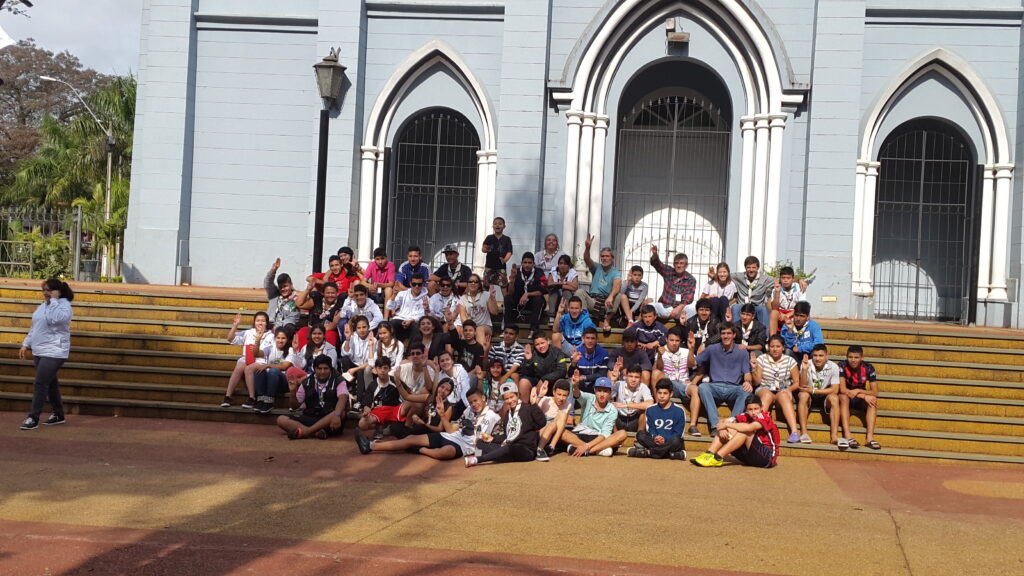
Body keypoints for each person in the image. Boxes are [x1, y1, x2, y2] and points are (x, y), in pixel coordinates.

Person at [356, 388, 501, 461]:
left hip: (464, 446)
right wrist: (442, 414)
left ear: (483, 398)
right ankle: (370, 446)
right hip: (450, 436)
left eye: (476, 401)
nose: (473, 404)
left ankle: (421, 450)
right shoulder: (468, 411)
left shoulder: (494, 417)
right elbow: (451, 430)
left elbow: (499, 438)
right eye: (471, 402)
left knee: (446, 452)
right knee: (411, 438)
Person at [19, 278, 74, 430]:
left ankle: (33, 417)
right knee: (50, 383)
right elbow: (35, 327)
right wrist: (26, 343)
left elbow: (57, 320)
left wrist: (55, 300)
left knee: (40, 383)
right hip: (39, 349)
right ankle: (58, 414)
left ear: (57, 292)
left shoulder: (64, 306)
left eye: (49, 290)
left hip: (55, 351)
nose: (45, 293)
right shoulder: (42, 306)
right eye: (44, 290)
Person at [689, 323, 753, 436]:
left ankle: (731, 424)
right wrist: (691, 349)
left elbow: (747, 373)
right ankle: (715, 425)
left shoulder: (742, 351)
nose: (726, 336)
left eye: (729, 333)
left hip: (734, 387)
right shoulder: (712, 349)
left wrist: (748, 382)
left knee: (746, 391)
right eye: (723, 333)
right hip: (715, 386)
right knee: (703, 387)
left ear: (734, 335)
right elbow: (693, 363)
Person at [465, 383, 548, 467]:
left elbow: (542, 423)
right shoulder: (508, 414)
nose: (510, 401)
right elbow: (506, 436)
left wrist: (534, 404)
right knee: (480, 442)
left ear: (518, 395)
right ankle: (501, 456)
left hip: (526, 450)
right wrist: (492, 439)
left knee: (508, 448)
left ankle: (477, 459)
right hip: (510, 446)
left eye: (512, 397)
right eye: (506, 399)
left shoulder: (527, 408)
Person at [691, 395, 780, 468]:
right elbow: (722, 421)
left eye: (756, 409)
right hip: (750, 457)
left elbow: (749, 428)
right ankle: (709, 454)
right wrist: (722, 428)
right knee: (729, 428)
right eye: (750, 409)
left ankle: (717, 458)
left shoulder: (765, 417)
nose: (753, 412)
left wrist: (726, 425)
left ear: (761, 408)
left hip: (767, 458)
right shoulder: (745, 415)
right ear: (746, 409)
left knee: (744, 432)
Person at [276, 355, 347, 440]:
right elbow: (295, 406)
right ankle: (316, 432)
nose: (322, 372)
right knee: (281, 419)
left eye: (326, 368)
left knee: (341, 413)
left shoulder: (339, 380)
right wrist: (292, 391)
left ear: (330, 368)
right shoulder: (307, 382)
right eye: (319, 369)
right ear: (314, 369)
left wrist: (336, 415)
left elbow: (343, 398)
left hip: (329, 419)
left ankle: (306, 432)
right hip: (311, 417)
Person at [561, 376, 626, 457]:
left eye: (605, 391)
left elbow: (604, 435)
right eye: (599, 390)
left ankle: (586, 450)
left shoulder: (612, 410)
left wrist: (587, 447)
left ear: (610, 392)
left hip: (598, 437)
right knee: (562, 432)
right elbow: (577, 394)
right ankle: (598, 450)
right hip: (581, 435)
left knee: (622, 434)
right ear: (594, 390)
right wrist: (575, 386)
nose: (602, 394)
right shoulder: (589, 398)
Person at [654, 326, 701, 436]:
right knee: (657, 373)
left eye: (677, 341)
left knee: (695, 389)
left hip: (682, 383)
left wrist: (691, 349)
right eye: (671, 340)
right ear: (666, 339)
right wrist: (660, 356)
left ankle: (693, 425)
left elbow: (692, 365)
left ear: (680, 341)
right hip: (667, 383)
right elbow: (658, 369)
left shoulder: (685, 351)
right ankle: (657, 409)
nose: (674, 343)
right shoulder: (661, 351)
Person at [220, 311, 274, 409]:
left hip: (261, 361)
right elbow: (230, 339)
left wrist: (258, 339)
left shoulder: (271, 336)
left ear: (267, 323)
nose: (260, 323)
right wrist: (235, 326)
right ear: (254, 322)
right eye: (258, 321)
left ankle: (252, 398)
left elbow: (262, 353)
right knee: (240, 366)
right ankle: (228, 396)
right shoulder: (249, 332)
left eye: (263, 321)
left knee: (248, 368)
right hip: (247, 358)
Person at [754, 335, 801, 443]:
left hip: (783, 389)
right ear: (768, 347)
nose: (775, 349)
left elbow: (797, 382)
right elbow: (757, 382)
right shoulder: (761, 359)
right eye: (772, 346)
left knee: (784, 395)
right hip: (765, 388)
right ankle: (756, 428)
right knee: (766, 395)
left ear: (783, 348)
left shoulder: (790, 360)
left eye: (778, 346)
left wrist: (789, 389)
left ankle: (794, 432)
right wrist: (753, 370)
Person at [628, 379, 687, 460]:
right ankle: (671, 454)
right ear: (656, 393)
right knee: (640, 434)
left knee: (676, 440)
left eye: (665, 393)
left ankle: (648, 453)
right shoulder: (650, 409)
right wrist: (656, 437)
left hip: (670, 441)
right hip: (655, 441)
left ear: (671, 394)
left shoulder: (679, 411)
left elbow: (678, 433)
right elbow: (651, 429)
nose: (662, 396)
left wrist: (664, 440)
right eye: (659, 393)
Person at [574, 234, 621, 334]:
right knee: (579, 292)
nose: (604, 258)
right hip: (594, 301)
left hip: (607, 303)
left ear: (612, 259)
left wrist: (611, 296)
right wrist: (587, 248)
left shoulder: (616, 272)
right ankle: (585, 319)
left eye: (607, 256)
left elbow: (617, 285)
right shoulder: (597, 267)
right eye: (602, 256)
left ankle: (607, 321)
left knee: (619, 296)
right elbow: (587, 259)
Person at [838, 345, 880, 450]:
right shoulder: (841, 365)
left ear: (861, 358)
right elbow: (843, 389)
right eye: (850, 357)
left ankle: (869, 438)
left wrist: (859, 391)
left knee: (873, 400)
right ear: (846, 357)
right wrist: (864, 395)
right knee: (843, 396)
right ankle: (848, 436)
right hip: (846, 397)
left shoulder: (869, 367)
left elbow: (875, 392)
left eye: (856, 357)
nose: (853, 360)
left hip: (859, 398)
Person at [251, 327, 301, 414]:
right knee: (258, 370)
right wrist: (257, 340)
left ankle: (269, 402)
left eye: (283, 338)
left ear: (287, 339)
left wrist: (267, 365)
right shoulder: (270, 348)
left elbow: (284, 366)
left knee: (273, 371)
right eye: (278, 338)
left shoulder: (290, 350)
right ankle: (261, 400)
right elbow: (256, 354)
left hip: (284, 382)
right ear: (275, 338)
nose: (280, 341)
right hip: (270, 380)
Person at [797, 344, 840, 444]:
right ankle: (804, 432)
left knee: (834, 398)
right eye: (815, 355)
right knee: (803, 395)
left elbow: (835, 389)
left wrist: (814, 391)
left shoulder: (834, 366)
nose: (817, 358)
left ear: (826, 356)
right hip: (808, 395)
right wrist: (804, 369)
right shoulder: (806, 363)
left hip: (824, 394)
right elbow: (803, 386)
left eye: (821, 355)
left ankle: (834, 435)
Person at [503, 252, 547, 337]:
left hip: (532, 301)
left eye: (530, 263)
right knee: (507, 298)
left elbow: (543, 290)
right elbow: (510, 292)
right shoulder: (516, 272)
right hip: (519, 301)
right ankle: (507, 329)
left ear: (533, 263)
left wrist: (527, 294)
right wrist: (512, 280)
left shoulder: (539, 272)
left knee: (539, 299)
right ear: (521, 263)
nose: (527, 265)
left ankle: (533, 329)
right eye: (525, 262)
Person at [649, 245, 697, 322]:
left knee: (693, 310)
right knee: (649, 307)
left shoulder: (691, 279)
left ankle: (686, 330)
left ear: (686, 265)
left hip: (680, 309)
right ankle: (637, 325)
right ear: (673, 264)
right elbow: (657, 264)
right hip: (665, 307)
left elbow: (688, 298)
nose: (679, 265)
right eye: (676, 263)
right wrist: (655, 254)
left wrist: (678, 309)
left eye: (681, 263)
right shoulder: (669, 272)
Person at [517, 331, 570, 399]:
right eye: (537, 344)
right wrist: (528, 361)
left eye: (542, 343)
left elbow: (562, 371)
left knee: (560, 383)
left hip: (552, 381)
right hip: (536, 380)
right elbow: (525, 373)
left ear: (548, 341)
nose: (541, 346)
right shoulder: (531, 352)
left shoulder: (557, 352)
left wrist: (544, 379)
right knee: (523, 382)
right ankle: (524, 407)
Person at [726, 256, 774, 329]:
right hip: (742, 305)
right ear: (745, 268)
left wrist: (797, 280)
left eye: (753, 267)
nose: (751, 270)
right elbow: (723, 276)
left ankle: (765, 337)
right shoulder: (738, 276)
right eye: (748, 267)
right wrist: (713, 275)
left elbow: (782, 280)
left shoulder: (765, 279)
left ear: (758, 268)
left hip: (756, 306)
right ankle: (736, 335)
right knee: (735, 307)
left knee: (763, 309)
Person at [286, 325, 338, 390]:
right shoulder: (306, 347)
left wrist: (305, 378)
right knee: (291, 371)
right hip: (306, 375)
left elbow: (328, 370)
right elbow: (300, 366)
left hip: (322, 377)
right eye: (314, 334)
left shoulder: (330, 350)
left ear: (324, 335)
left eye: (319, 334)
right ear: (311, 335)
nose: (317, 336)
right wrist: (295, 350)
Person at [394, 342, 438, 420]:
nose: (415, 356)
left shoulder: (429, 370)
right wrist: (407, 389)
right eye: (413, 354)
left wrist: (424, 366)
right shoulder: (404, 367)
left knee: (424, 393)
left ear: (423, 355)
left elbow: (429, 388)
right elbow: (390, 376)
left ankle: (408, 426)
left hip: (419, 406)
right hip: (401, 403)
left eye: (418, 353)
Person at [295, 279, 343, 348]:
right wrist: (308, 290)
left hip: (328, 331)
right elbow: (299, 304)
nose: (330, 295)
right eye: (328, 293)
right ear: (323, 293)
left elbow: (334, 324)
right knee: (303, 332)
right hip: (312, 329)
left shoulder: (340, 304)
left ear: (337, 293)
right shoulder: (317, 300)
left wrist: (318, 332)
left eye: (332, 293)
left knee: (330, 336)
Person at [533, 378, 573, 459]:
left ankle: (551, 446)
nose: (561, 398)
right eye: (559, 394)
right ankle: (539, 449)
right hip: (541, 432)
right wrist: (540, 396)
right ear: (554, 392)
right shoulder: (545, 400)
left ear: (568, 395)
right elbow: (532, 411)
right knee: (553, 424)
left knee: (562, 414)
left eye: (564, 395)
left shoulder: (568, 405)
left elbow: (563, 424)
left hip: (554, 435)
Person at [455, 273, 499, 343]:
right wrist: (471, 329)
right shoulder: (463, 298)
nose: (473, 283)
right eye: (470, 281)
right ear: (467, 284)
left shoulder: (486, 295)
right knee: (462, 331)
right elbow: (463, 318)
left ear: (479, 284)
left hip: (486, 326)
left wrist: (492, 298)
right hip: (470, 326)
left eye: (476, 282)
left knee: (479, 329)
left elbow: (495, 312)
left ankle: (481, 354)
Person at [609, 364, 653, 434]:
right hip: (619, 418)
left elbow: (650, 404)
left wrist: (627, 405)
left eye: (636, 377)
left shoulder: (643, 387)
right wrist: (612, 381)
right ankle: (615, 435)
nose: (633, 380)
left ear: (640, 378)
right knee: (609, 408)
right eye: (630, 376)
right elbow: (608, 397)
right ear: (626, 376)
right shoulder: (619, 384)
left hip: (634, 419)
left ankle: (639, 437)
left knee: (645, 412)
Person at [339, 316, 375, 399]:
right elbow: (345, 354)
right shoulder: (352, 337)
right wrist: (347, 339)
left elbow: (371, 361)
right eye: (359, 328)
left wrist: (355, 369)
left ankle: (360, 399)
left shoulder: (373, 339)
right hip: (353, 365)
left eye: (364, 327)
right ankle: (347, 389)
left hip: (365, 367)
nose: (362, 330)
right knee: (344, 360)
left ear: (368, 327)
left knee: (360, 371)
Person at [385, 272, 428, 341]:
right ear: (410, 284)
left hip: (414, 321)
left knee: (416, 327)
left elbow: (423, 315)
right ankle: (392, 348)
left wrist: (411, 320)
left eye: (419, 284)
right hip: (400, 318)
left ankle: (411, 350)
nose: (416, 286)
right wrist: (394, 295)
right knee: (392, 324)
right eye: (414, 284)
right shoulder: (402, 294)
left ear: (423, 284)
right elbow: (389, 307)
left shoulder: (426, 298)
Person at [770, 266, 808, 336]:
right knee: (773, 313)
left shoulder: (799, 287)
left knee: (805, 314)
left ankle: (801, 336)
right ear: (780, 279)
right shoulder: (776, 288)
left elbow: (801, 307)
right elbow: (774, 308)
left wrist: (787, 315)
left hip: (794, 312)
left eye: (788, 278)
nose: (785, 280)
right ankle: (772, 338)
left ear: (793, 279)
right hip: (780, 313)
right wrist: (777, 293)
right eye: (783, 278)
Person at [264, 258, 301, 331]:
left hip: (283, 329)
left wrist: (278, 326)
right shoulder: (274, 294)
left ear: (291, 285)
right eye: (281, 287)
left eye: (285, 286)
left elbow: (292, 319)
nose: (283, 289)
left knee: (289, 327)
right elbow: (267, 283)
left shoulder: (296, 299)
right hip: (269, 325)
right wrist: (273, 271)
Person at [451, 319, 486, 390]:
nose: (468, 332)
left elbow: (477, 368)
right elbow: (453, 337)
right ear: (463, 332)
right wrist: (450, 322)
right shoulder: (461, 343)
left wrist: (465, 376)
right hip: (458, 373)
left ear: (475, 332)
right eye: (465, 330)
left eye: (470, 330)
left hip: (471, 375)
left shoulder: (479, 348)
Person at [482, 216, 513, 289]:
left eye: (500, 224)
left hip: (501, 267)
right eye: (495, 224)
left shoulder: (507, 239)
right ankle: (485, 300)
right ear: (492, 226)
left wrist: (504, 260)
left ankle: (506, 300)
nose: (497, 225)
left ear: (504, 226)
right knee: (486, 286)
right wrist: (485, 249)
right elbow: (483, 248)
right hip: (489, 266)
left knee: (504, 286)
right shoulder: (489, 237)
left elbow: (509, 252)